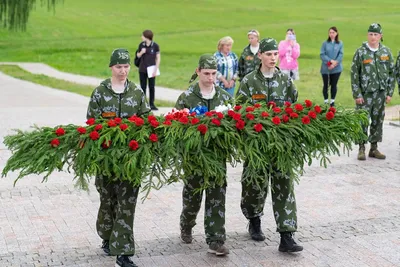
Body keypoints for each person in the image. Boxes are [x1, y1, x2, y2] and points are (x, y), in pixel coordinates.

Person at [236, 38, 303, 253]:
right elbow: (240, 110)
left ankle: (287, 235)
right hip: (257, 147)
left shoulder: (285, 80)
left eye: (275, 54)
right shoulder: (249, 82)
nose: (273, 58)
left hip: (281, 146)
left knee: (284, 185)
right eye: (268, 54)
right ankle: (254, 218)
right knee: (254, 186)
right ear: (260, 56)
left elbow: (293, 107)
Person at [87, 48, 150, 267]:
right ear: (111, 67)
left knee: (127, 204)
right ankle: (106, 234)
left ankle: (123, 252)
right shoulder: (100, 93)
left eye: (125, 67)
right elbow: (91, 123)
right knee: (108, 201)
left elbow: (146, 119)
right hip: (106, 161)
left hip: (131, 160)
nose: (122, 71)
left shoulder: (137, 92)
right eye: (118, 67)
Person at [176, 54, 233, 256]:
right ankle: (187, 223)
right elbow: (177, 127)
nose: (210, 78)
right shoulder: (187, 97)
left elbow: (233, 127)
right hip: (194, 158)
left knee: (217, 196)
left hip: (217, 157)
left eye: (214, 74)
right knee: (193, 196)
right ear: (198, 71)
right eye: (206, 73)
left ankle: (216, 239)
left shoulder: (225, 98)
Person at [350, 23, 395, 161]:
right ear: (367, 35)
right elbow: (354, 74)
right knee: (362, 120)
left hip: (380, 94)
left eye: (376, 34)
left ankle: (374, 148)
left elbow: (391, 73)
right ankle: (361, 148)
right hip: (365, 94)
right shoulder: (361, 52)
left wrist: (389, 93)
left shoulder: (386, 52)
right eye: (371, 34)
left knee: (377, 121)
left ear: (380, 36)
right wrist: (357, 94)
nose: (373, 37)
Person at [136, 29, 161, 110]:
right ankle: (143, 104)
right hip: (142, 69)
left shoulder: (155, 46)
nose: (141, 37)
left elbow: (158, 58)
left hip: (151, 69)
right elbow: (138, 56)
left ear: (147, 37)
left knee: (151, 87)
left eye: (142, 35)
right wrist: (141, 52)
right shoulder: (141, 45)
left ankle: (152, 104)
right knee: (143, 87)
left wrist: (156, 69)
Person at [320, 26, 344, 107]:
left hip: (336, 68)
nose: (331, 34)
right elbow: (322, 54)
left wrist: (335, 63)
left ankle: (332, 101)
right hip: (326, 68)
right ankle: (326, 101)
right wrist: (330, 62)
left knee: (334, 84)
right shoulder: (325, 43)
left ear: (336, 33)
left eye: (333, 32)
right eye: (330, 33)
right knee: (326, 85)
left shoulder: (340, 43)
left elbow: (341, 54)